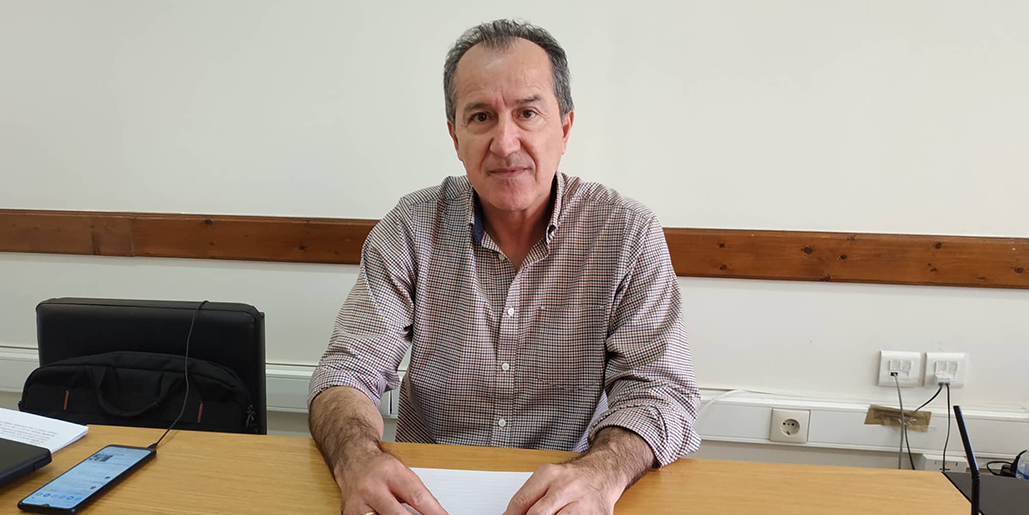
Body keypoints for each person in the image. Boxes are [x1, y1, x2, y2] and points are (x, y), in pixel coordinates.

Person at [308, 19, 700, 515]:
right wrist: (358, 460)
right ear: (455, 136)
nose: (505, 143)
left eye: (527, 113)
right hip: (427, 497)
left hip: (569, 494)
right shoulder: (410, 227)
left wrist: (599, 474)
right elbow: (346, 372)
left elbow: (661, 391)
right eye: (481, 117)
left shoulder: (626, 233)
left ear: (565, 128)